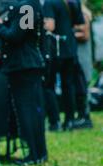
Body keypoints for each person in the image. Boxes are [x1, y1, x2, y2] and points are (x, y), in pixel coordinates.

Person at [0, 0, 48, 166]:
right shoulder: (32, 4)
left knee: (27, 112)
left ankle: (33, 155)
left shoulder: (26, 6)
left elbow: (16, 36)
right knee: (33, 111)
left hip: (23, 65)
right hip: (29, 64)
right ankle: (39, 153)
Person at [43, 0, 85, 130]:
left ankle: (55, 122)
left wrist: (38, 22)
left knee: (49, 85)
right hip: (70, 48)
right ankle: (70, 120)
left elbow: (50, 26)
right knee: (69, 85)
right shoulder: (74, 1)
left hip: (56, 49)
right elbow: (80, 24)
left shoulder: (50, 2)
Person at [72, 0, 93, 129]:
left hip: (83, 55)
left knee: (83, 85)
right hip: (78, 54)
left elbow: (85, 35)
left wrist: (68, 34)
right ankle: (81, 114)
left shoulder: (84, 15)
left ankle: (85, 115)